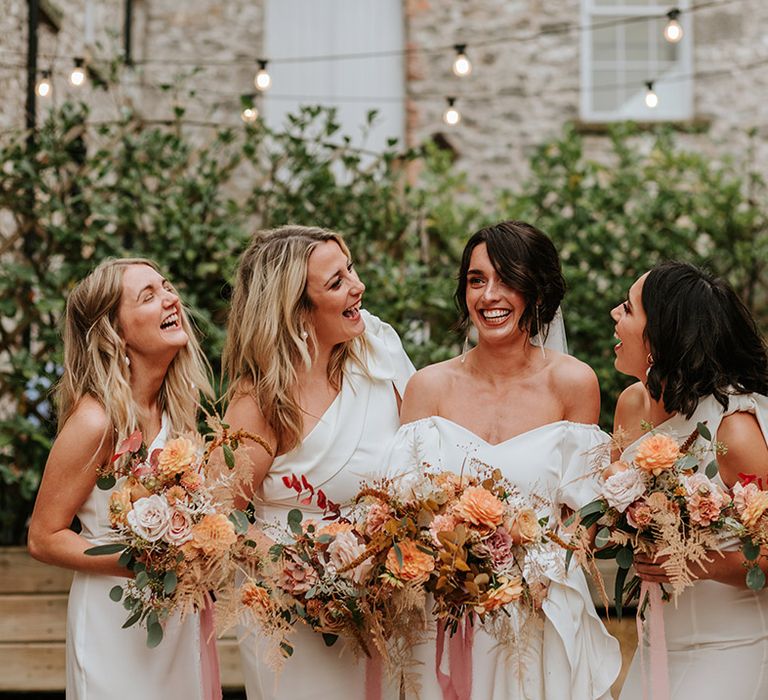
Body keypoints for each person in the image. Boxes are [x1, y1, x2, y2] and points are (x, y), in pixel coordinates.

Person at [386, 220, 621, 699]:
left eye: (507, 279)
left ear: (536, 291)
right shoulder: (428, 387)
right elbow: (400, 509)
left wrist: (534, 567)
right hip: (444, 614)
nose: (489, 295)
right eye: (476, 280)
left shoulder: (573, 384)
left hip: (538, 615)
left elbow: (586, 513)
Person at [222, 225, 414, 700]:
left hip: (392, 603)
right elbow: (219, 516)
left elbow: (423, 454)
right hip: (294, 622)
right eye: (336, 282)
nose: (357, 286)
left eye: (350, 269)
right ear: (296, 310)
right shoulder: (260, 401)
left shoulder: (378, 346)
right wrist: (304, 572)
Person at [27, 258, 216, 699]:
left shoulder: (178, 413)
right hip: (115, 626)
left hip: (174, 623)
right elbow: (44, 536)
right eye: (148, 296)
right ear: (116, 332)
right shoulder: (95, 422)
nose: (171, 299)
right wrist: (146, 562)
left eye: (166, 287)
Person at [612, 261, 768, 699]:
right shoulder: (632, 405)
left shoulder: (733, 431)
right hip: (655, 646)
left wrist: (701, 563)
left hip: (732, 647)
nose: (614, 315)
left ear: (661, 336)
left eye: (627, 308)